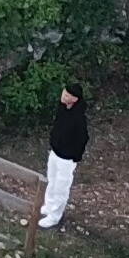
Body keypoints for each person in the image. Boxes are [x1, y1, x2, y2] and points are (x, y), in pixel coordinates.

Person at [40, 84, 92, 231]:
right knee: (51, 181)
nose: (64, 96)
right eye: (64, 93)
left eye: (68, 95)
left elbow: (83, 138)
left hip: (66, 158)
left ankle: (55, 215)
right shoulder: (62, 108)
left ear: (75, 99)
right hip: (55, 152)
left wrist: (75, 156)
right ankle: (49, 205)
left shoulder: (78, 118)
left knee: (61, 187)